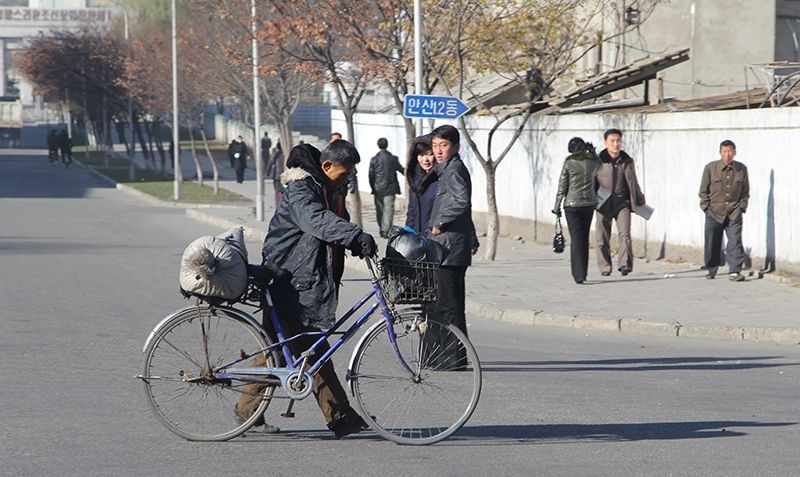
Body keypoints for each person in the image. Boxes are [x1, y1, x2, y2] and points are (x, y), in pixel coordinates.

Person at [235, 140, 377, 438]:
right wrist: (353, 236)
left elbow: (334, 219)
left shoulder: (326, 187)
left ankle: (249, 412)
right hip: (289, 276)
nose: (348, 179)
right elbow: (315, 220)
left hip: (299, 276)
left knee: (287, 346)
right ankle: (339, 416)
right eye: (345, 173)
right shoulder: (302, 188)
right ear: (327, 167)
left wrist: (352, 239)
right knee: (304, 345)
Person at [428, 125, 475, 349]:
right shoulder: (446, 169)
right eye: (435, 145)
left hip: (450, 249)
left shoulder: (454, 170)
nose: (438, 151)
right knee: (448, 303)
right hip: (451, 246)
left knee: (448, 305)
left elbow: (461, 201)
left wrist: (440, 222)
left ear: (455, 147)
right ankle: (450, 356)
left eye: (443, 145)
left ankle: (452, 356)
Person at [594, 128, 646, 276]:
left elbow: (633, 181)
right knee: (602, 237)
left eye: (618, 141)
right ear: (606, 143)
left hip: (622, 202)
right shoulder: (598, 161)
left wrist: (640, 199)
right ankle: (605, 266)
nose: (616, 144)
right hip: (602, 202)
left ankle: (624, 265)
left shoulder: (627, 160)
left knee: (625, 234)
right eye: (612, 141)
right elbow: (591, 182)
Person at [699, 139, 750, 281]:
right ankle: (712, 267)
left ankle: (735, 270)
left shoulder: (741, 169)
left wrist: (741, 207)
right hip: (714, 211)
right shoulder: (710, 168)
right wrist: (706, 208)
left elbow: (745, 191)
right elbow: (703, 191)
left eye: (730, 151)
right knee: (712, 242)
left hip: (734, 212)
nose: (727, 154)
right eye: (725, 151)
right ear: (720, 152)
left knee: (735, 240)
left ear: (735, 152)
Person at [552, 137, 600, 284]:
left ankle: (578, 275)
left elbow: (562, 186)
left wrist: (556, 206)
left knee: (576, 239)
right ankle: (583, 273)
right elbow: (600, 166)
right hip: (589, 204)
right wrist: (593, 153)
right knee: (584, 238)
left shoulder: (569, 163)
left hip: (572, 205)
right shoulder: (592, 162)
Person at [368, 137, 404, 238]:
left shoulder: (374, 159)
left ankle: (382, 229)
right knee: (388, 210)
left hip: (378, 188)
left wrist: (373, 187)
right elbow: (401, 170)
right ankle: (386, 230)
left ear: (378, 145)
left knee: (380, 210)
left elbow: (371, 175)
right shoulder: (393, 158)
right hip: (390, 188)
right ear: (387, 145)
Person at [332, 132, 363, 228]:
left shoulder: (347, 155)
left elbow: (352, 171)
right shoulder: (327, 155)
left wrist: (352, 181)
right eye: (334, 140)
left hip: (341, 191)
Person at [269, 141, 285, 206]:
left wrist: (268, 171)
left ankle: (278, 204)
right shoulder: (286, 155)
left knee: (277, 190)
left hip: (276, 176)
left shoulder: (275, 154)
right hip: (284, 175)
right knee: (282, 191)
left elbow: (270, 162)